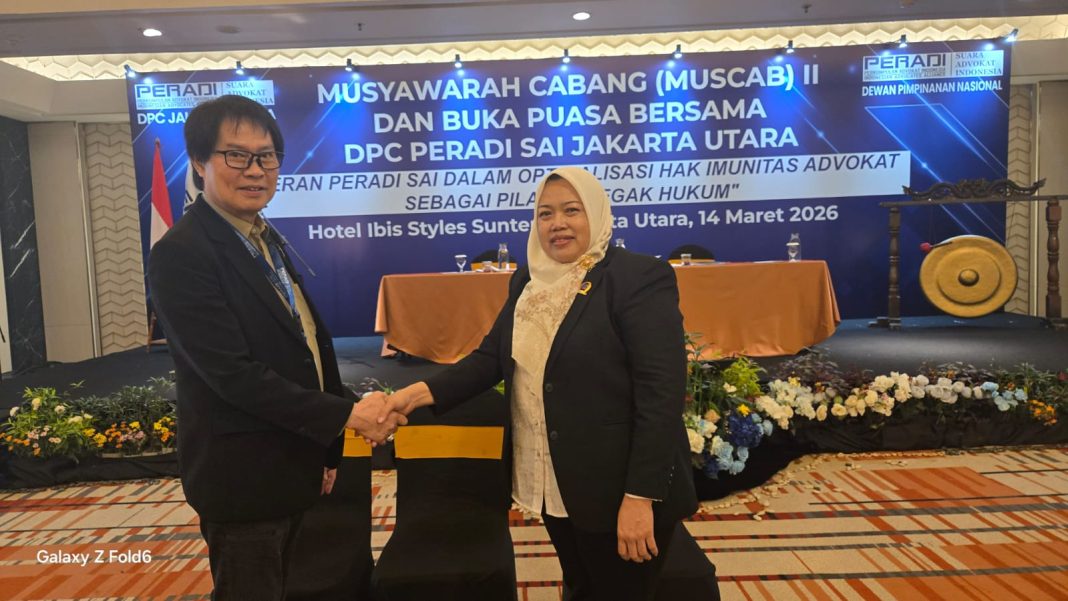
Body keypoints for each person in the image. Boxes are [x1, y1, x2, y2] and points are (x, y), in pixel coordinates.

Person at [379, 166, 699, 600]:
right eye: (545, 213)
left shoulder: (637, 278)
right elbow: (490, 358)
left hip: (619, 489)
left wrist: (641, 497)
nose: (557, 223)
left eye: (571, 210)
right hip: (553, 479)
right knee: (581, 585)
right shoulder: (527, 280)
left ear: (596, 213)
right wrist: (413, 396)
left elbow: (661, 395)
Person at [147, 94, 403, 600]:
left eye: (266, 156)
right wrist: (348, 417)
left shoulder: (262, 238)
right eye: (236, 155)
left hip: (291, 464)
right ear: (198, 163)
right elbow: (234, 375)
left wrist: (326, 449)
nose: (255, 170)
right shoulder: (182, 254)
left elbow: (304, 349)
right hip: (243, 479)